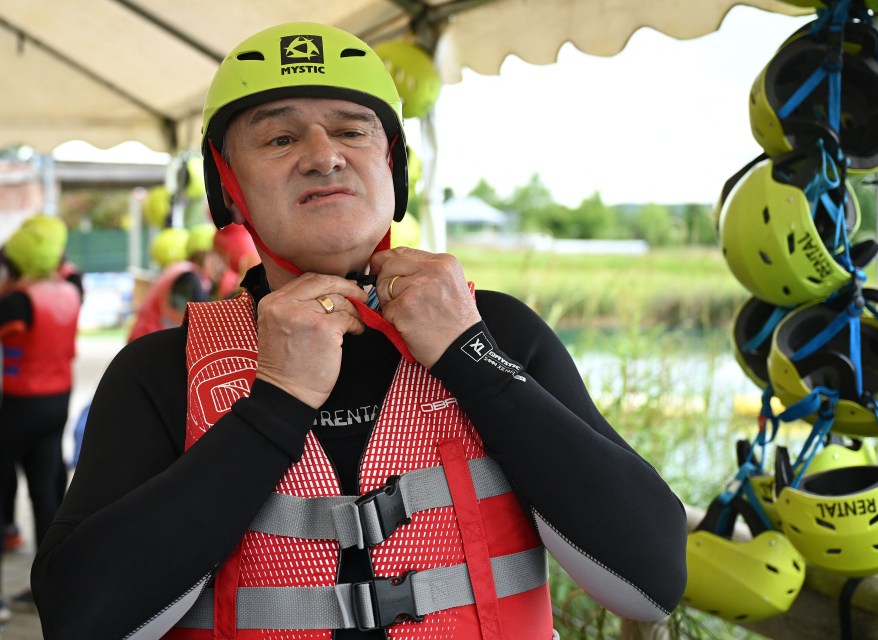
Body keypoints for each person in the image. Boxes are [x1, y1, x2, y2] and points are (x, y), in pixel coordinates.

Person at [31, 22, 687, 639]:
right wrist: (275, 407)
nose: (324, 157)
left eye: (352, 130)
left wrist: (468, 356)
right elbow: (79, 617)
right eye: (279, 139)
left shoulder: (498, 332)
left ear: (393, 166)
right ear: (227, 186)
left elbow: (651, 580)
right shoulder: (162, 373)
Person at [0, 215, 81, 617]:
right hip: (56, 401)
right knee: (45, 492)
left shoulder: (17, 299)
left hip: (18, 404)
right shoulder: (68, 291)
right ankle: (50, 586)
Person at [127, 224, 216, 342]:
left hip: (145, 339)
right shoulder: (188, 277)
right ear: (203, 254)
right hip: (151, 342)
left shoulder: (179, 271)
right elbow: (202, 324)